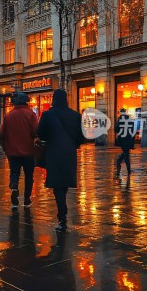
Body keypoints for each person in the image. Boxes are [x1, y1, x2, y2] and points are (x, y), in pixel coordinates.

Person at [37, 89, 85, 232]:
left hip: (53, 153)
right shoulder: (75, 115)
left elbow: (40, 132)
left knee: (57, 185)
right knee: (63, 183)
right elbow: (81, 137)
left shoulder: (47, 115)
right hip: (69, 154)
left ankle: (62, 216)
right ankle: (62, 212)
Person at [0, 93, 38, 207]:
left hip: (13, 152)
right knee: (29, 176)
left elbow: (2, 134)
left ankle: (14, 187)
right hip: (29, 151)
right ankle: (27, 200)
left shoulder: (9, 115)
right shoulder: (30, 114)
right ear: (26, 102)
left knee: (14, 172)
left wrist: (6, 148)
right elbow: (36, 131)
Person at [115, 109, 136, 176]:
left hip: (123, 140)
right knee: (125, 154)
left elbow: (116, 129)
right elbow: (133, 131)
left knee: (126, 155)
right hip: (129, 140)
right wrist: (132, 142)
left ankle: (128, 170)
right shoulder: (130, 121)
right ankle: (123, 167)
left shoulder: (121, 120)